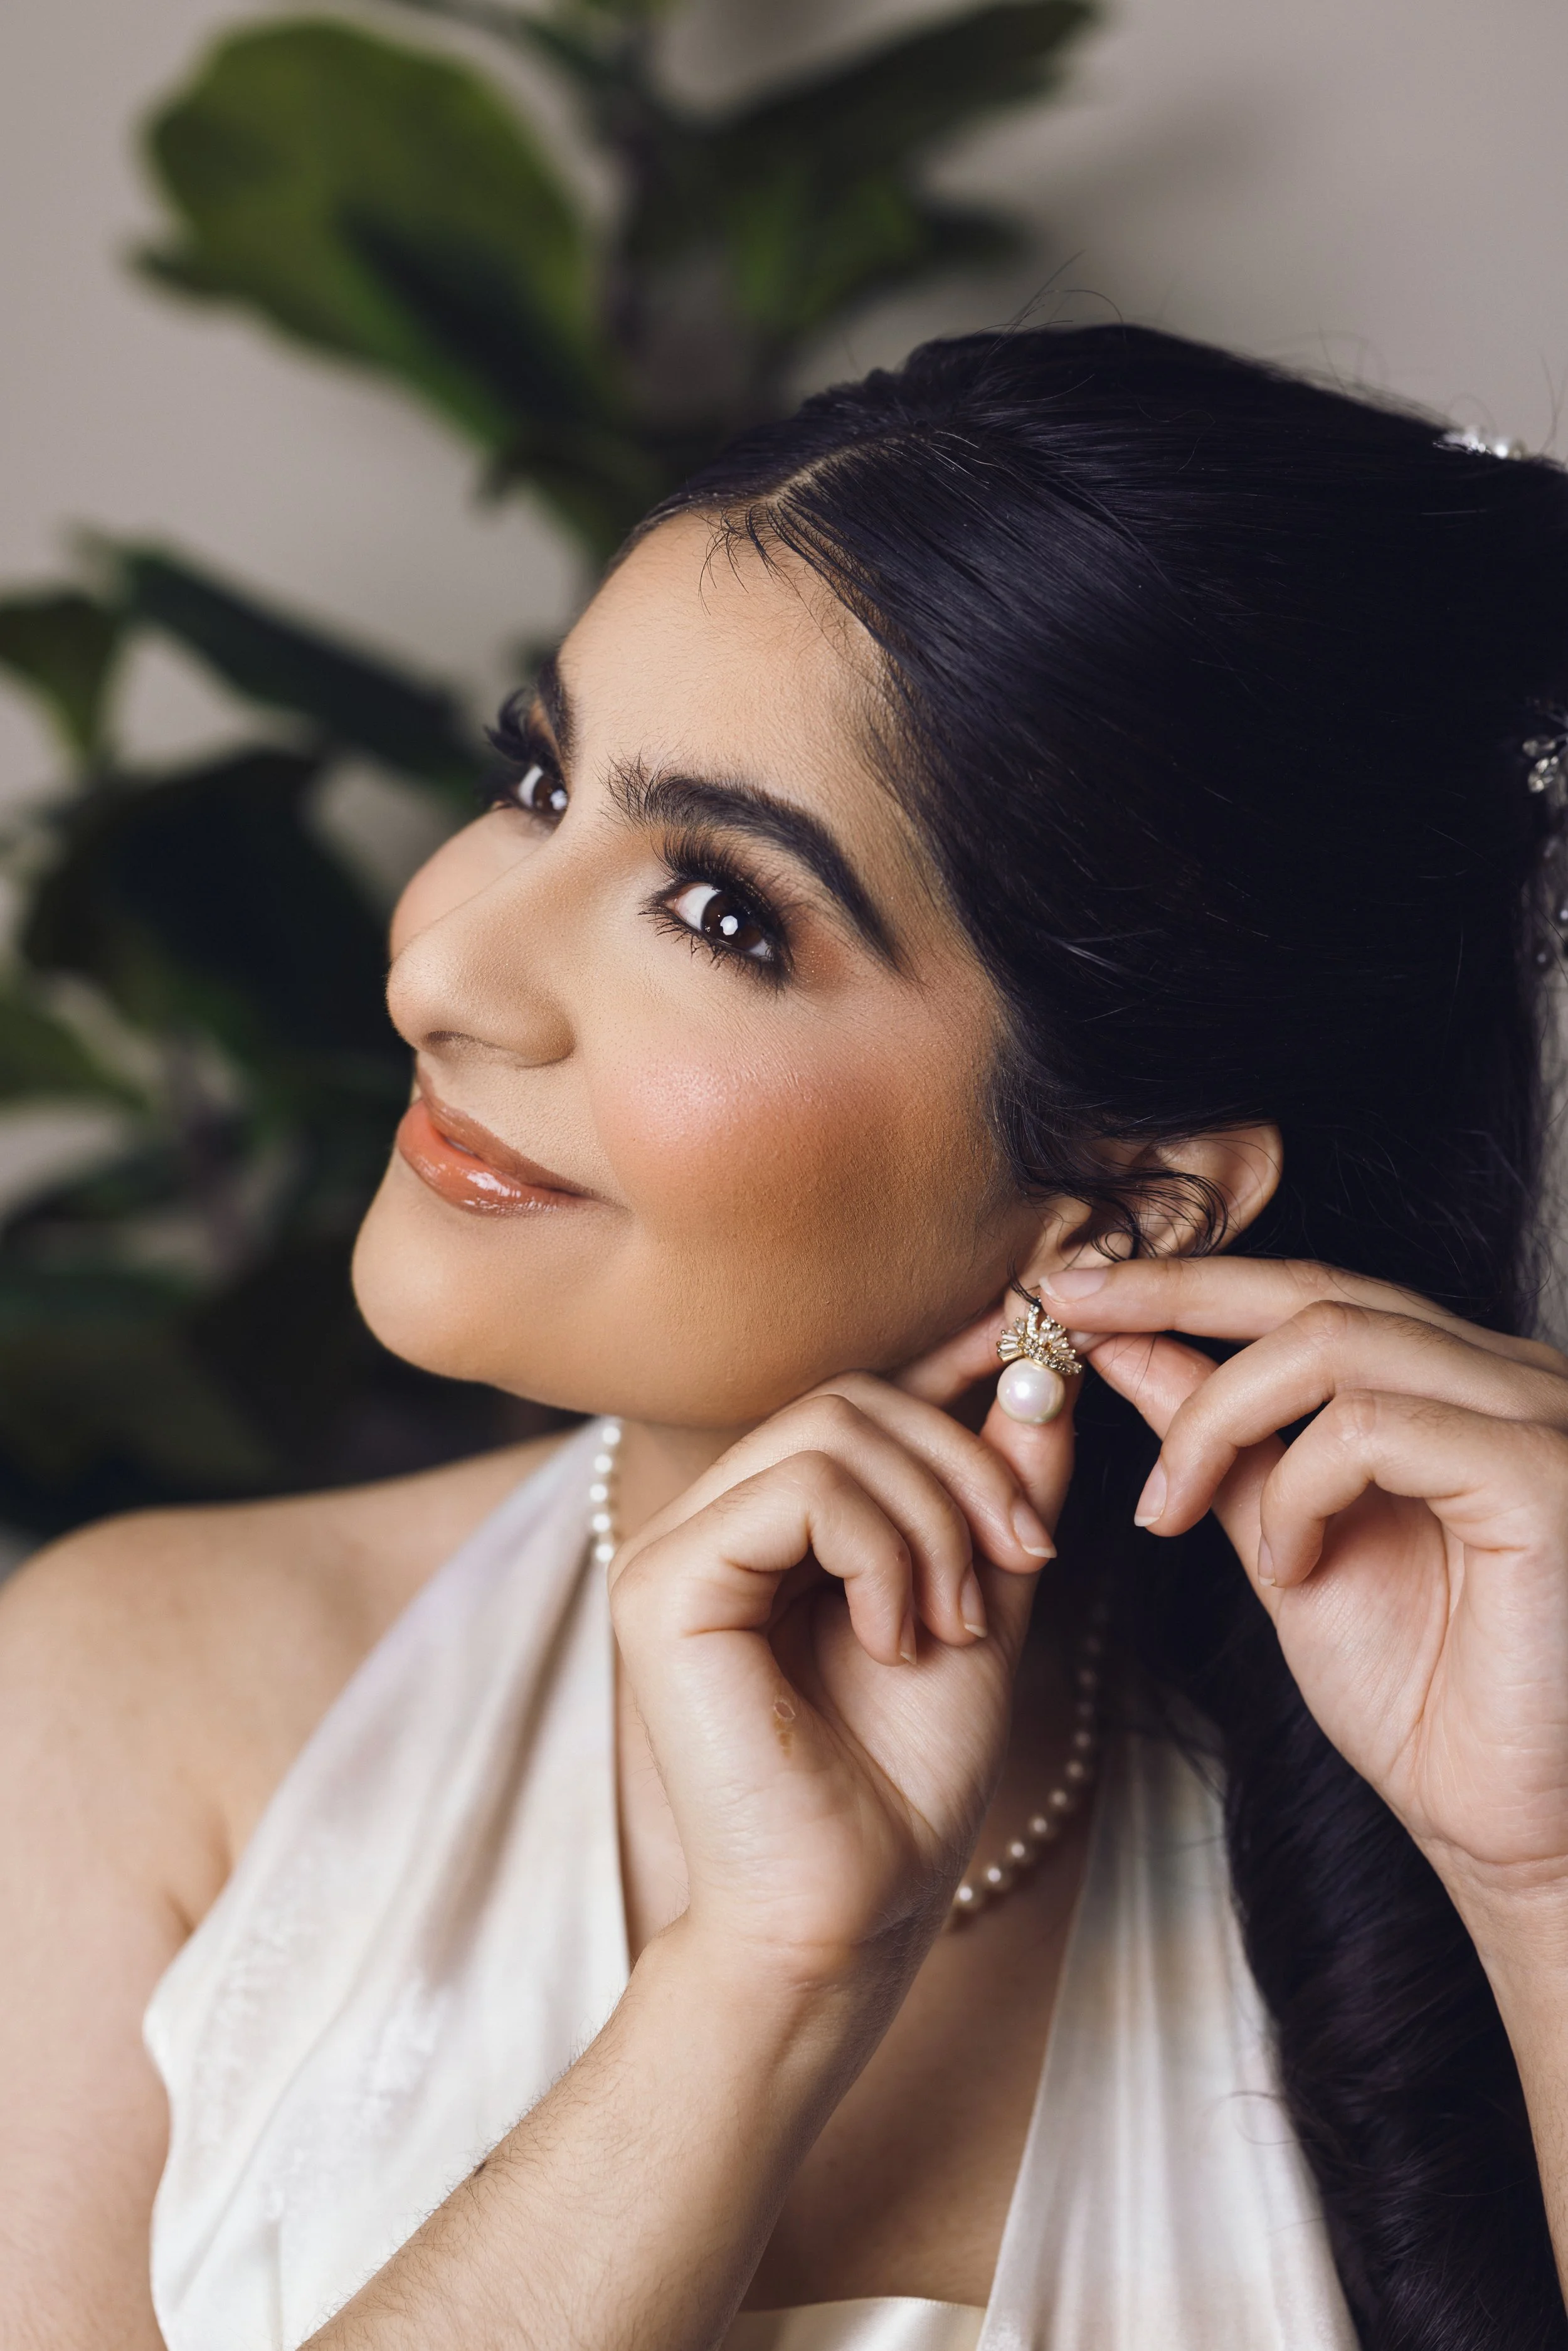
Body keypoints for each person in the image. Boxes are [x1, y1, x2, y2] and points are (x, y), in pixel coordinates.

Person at [5, 322, 1568, 2351]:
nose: (446, 964)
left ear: (1128, 1198)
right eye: (533, 775)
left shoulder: (1469, 1792)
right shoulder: (137, 1694)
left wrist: (1538, 1885)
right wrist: (760, 1976)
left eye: (720, 909)